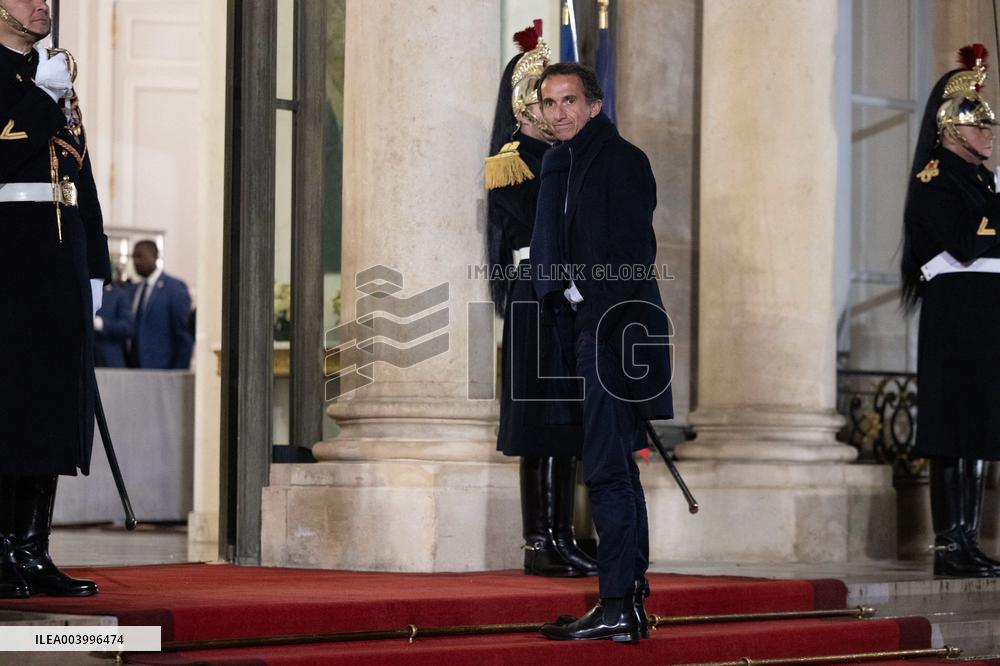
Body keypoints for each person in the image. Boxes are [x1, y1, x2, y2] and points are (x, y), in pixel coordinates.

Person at [531, 63, 673, 642]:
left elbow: (635, 251)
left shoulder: (622, 159)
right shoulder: (557, 164)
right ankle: (626, 601)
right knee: (611, 469)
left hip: (616, 331)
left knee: (611, 473)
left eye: (570, 100)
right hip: (583, 330)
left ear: (594, 105)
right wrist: (560, 292)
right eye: (549, 102)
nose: (559, 111)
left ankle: (618, 602)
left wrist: (585, 295)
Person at [0, 0, 110, 597]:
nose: (41, 5)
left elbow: (80, 178)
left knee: (50, 410)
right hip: (8, 265)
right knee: (10, 411)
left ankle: (31, 550)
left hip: (58, 267)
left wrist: (96, 267)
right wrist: (41, 100)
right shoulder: (38, 84)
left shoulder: (54, 75)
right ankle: (0, 553)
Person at [486, 22, 596, 578]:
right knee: (541, 421)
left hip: (569, 294)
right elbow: (538, 226)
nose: (551, 113)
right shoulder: (512, 161)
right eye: (541, 102)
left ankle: (563, 533)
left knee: (568, 421)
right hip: (535, 295)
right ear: (523, 108)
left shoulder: (573, 157)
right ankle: (538, 541)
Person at [901, 43, 1000, 579]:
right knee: (952, 426)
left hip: (986, 312)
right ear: (951, 128)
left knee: (982, 427)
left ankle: (970, 535)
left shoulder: (983, 182)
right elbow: (965, 243)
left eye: (990, 126)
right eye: (980, 125)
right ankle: (948, 542)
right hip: (955, 313)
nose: (989, 133)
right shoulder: (935, 181)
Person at [127, 239, 194, 370]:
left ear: (155, 256)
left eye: (140, 256)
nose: (136, 261)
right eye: (133, 257)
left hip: (164, 370)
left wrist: (178, 374)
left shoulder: (174, 288)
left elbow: (184, 336)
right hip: (135, 370)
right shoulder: (134, 290)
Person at [94, 267, 133, 368]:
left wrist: (102, 324)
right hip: (88, 356)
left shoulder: (119, 295)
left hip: (110, 359)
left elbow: (127, 327)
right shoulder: (88, 293)